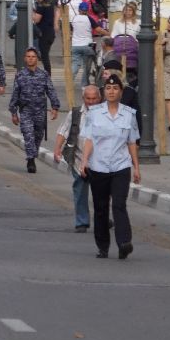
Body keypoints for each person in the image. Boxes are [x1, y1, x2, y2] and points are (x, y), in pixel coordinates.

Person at [80, 73, 142, 259]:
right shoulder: (94, 113)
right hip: (98, 166)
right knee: (100, 208)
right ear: (103, 91)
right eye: (108, 88)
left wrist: (136, 167)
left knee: (119, 204)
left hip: (120, 166)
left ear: (121, 92)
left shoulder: (129, 114)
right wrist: (84, 161)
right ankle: (103, 246)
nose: (111, 91)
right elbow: (89, 139)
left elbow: (132, 142)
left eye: (115, 88)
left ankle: (124, 242)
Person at [53, 84, 101, 234]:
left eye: (94, 99)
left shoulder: (105, 113)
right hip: (79, 158)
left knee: (101, 192)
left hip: (100, 161)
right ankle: (82, 221)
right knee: (79, 189)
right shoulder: (75, 113)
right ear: (83, 98)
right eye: (88, 98)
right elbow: (63, 131)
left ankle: (103, 218)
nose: (91, 102)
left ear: (99, 98)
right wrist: (57, 149)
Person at [9, 47, 59, 173]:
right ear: (25, 58)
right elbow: (15, 94)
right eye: (28, 56)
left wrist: (55, 106)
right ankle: (31, 160)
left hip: (40, 112)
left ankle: (33, 154)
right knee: (28, 135)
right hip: (26, 110)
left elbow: (50, 90)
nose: (31, 59)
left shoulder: (43, 75)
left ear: (37, 59)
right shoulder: (20, 75)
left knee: (37, 136)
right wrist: (14, 112)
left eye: (33, 57)